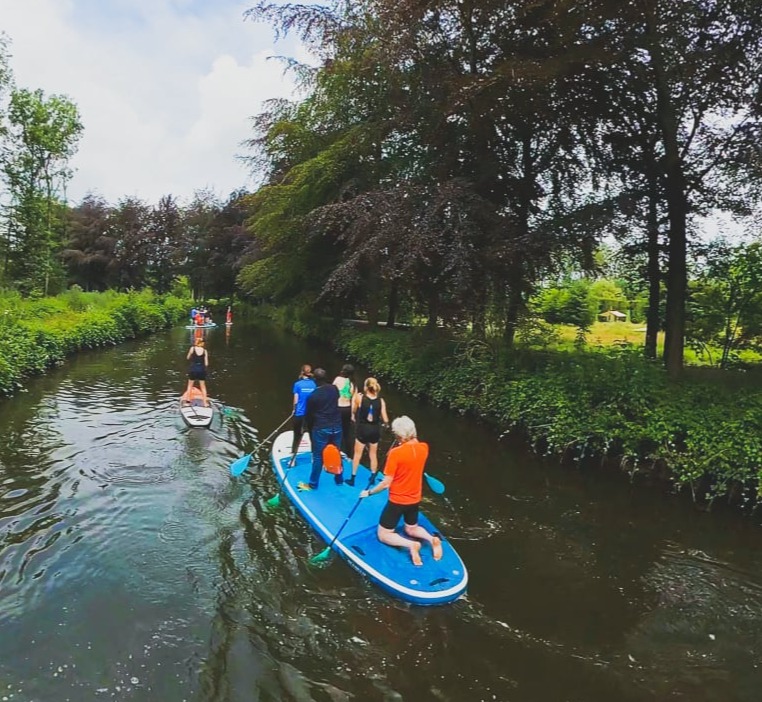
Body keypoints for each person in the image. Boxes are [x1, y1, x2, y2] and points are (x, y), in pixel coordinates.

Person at [360, 416, 442, 566]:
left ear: (399, 435)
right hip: (415, 499)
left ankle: (411, 545)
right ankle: (432, 540)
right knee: (412, 528)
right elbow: (411, 450)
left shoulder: (396, 454)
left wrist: (369, 493)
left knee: (384, 534)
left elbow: (385, 484)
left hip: (398, 501)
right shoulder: (424, 448)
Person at [300, 368, 343, 490]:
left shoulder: (313, 396)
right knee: (336, 452)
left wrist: (307, 428)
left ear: (315, 380)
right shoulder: (334, 389)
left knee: (318, 456)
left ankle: (313, 484)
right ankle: (339, 479)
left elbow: (309, 416)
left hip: (321, 427)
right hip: (337, 426)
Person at [347, 377, 389, 486]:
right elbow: (385, 419)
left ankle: (352, 478)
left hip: (363, 429)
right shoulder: (381, 401)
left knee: (357, 454)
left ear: (366, 387)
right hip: (375, 430)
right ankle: (372, 477)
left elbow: (353, 411)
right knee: (373, 454)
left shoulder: (359, 398)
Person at [291, 364, 316, 460]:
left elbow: (296, 400)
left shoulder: (297, 384)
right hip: (311, 415)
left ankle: (293, 458)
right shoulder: (314, 384)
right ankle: (314, 457)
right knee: (312, 435)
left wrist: (294, 409)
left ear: (302, 372)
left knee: (297, 436)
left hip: (300, 414)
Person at [333, 364, 356, 456]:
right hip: (347, 408)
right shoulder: (352, 383)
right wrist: (353, 414)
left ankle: (337, 450)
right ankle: (348, 453)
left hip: (338, 407)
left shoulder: (337, 379)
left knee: (336, 430)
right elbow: (353, 400)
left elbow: (332, 392)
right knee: (347, 432)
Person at [184, 338, 209, 407]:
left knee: (190, 386)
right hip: (201, 370)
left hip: (193, 369)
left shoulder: (192, 349)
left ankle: (188, 402)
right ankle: (205, 403)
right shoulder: (205, 351)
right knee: (203, 387)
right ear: (201, 343)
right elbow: (206, 363)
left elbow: (188, 357)